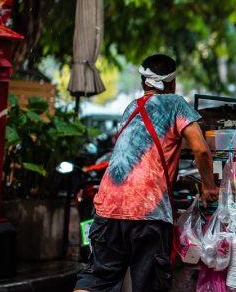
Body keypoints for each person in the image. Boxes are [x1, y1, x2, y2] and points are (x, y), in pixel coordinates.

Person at [75, 54, 218, 292]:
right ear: (172, 84)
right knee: (150, 284)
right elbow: (201, 150)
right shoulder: (176, 104)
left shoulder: (131, 108)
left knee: (97, 279)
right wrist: (209, 186)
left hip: (107, 208)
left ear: (144, 82)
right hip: (147, 210)